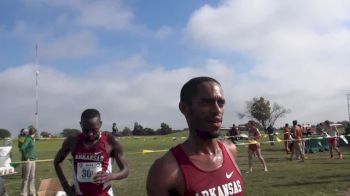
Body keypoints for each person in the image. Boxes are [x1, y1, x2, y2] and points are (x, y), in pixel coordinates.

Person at [147, 77, 244, 195]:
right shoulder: (166, 170)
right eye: (206, 103)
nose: (217, 110)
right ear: (184, 108)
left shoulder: (230, 150)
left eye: (221, 103)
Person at [54, 109, 129, 196]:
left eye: (94, 130)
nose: (90, 134)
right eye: (86, 130)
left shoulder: (110, 141)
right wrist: (66, 187)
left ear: (100, 124)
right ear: (80, 124)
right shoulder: (72, 141)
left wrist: (110, 176)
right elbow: (57, 162)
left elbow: (125, 170)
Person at [20, 127, 37, 196]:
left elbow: (31, 150)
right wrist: (27, 158)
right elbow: (22, 148)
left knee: (32, 177)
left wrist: (35, 156)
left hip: (33, 160)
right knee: (26, 177)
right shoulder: (28, 139)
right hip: (28, 161)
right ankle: (24, 193)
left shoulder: (32, 139)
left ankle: (32, 192)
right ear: (34, 133)